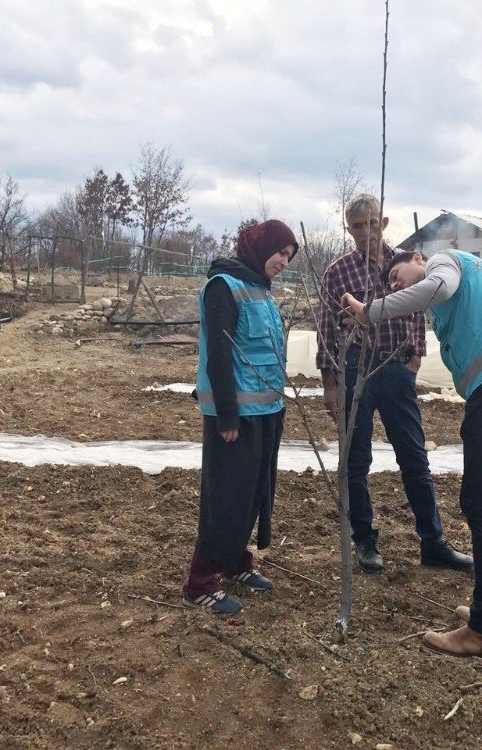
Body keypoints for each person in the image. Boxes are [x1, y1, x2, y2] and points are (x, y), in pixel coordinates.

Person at [341, 248, 482, 658]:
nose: (396, 285)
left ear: (417, 257)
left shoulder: (446, 263)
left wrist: (371, 311)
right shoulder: (472, 289)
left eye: (396, 276)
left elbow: (437, 286)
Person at [317, 194, 473, 575]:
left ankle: (433, 542)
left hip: (397, 368)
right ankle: (365, 541)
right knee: (356, 460)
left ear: (383, 222)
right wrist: (331, 384)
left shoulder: (404, 260)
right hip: (356, 369)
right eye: (357, 226)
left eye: (372, 223)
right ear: (348, 229)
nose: (366, 232)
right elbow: (325, 329)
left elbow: (419, 311)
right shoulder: (337, 272)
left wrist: (415, 359)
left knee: (414, 456)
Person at [182, 219, 298, 615]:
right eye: (280, 252)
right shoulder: (223, 287)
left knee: (253, 492)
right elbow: (218, 353)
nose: (284, 262)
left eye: (289, 256)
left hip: (266, 410)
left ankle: (234, 560)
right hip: (236, 417)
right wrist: (227, 416)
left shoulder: (260, 289)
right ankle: (201, 579)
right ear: (260, 246)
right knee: (227, 495)